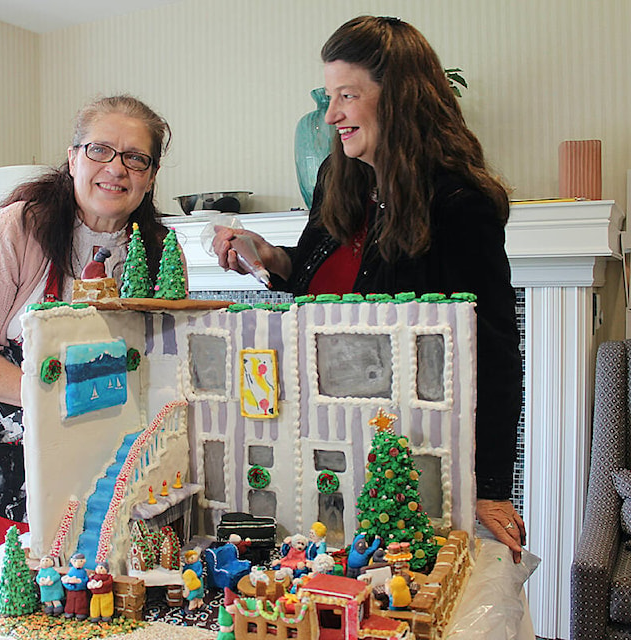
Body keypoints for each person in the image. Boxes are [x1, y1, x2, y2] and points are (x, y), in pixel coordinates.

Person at [212, 16, 526, 562]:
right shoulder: (341, 178)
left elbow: (495, 351)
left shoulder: (459, 202)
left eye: (347, 95)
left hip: (407, 454)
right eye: (330, 96)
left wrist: (494, 487)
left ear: (400, 98)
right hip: (327, 436)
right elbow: (316, 286)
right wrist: (266, 255)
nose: (331, 115)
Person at [0, 95, 176, 570]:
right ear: (73, 159)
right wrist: (57, 394)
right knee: (2, 598)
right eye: (100, 150)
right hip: (7, 459)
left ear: (150, 176)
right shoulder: (20, 227)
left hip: (104, 460)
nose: (116, 168)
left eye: (135, 158)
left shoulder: (159, 252)